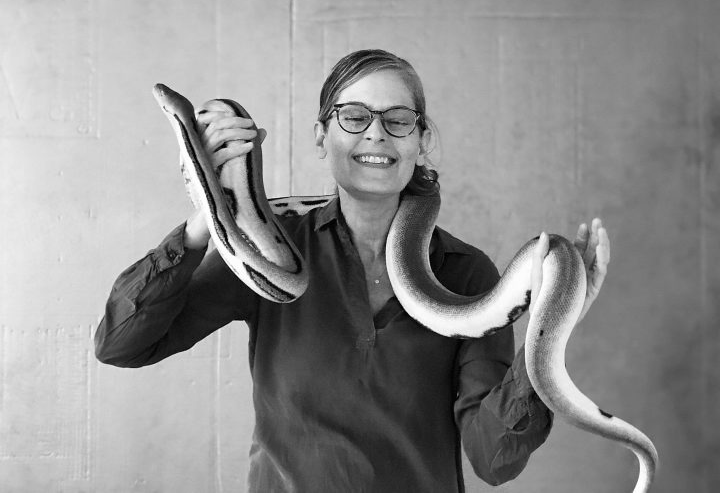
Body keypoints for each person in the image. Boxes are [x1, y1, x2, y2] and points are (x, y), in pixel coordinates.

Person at [95, 49, 610, 492]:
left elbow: (493, 459)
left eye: (398, 118)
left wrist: (552, 326)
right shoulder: (270, 253)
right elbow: (122, 345)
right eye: (354, 116)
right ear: (322, 136)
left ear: (420, 138)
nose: (377, 135)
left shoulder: (465, 272)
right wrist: (207, 215)